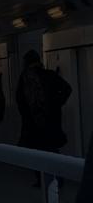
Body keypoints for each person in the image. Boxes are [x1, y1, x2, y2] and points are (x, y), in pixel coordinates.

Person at [16, 49, 72, 186]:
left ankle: (41, 179)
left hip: (33, 123)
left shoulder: (24, 78)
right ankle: (57, 178)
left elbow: (20, 100)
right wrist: (57, 103)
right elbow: (67, 89)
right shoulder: (50, 75)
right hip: (51, 120)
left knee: (36, 151)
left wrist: (27, 114)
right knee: (52, 150)